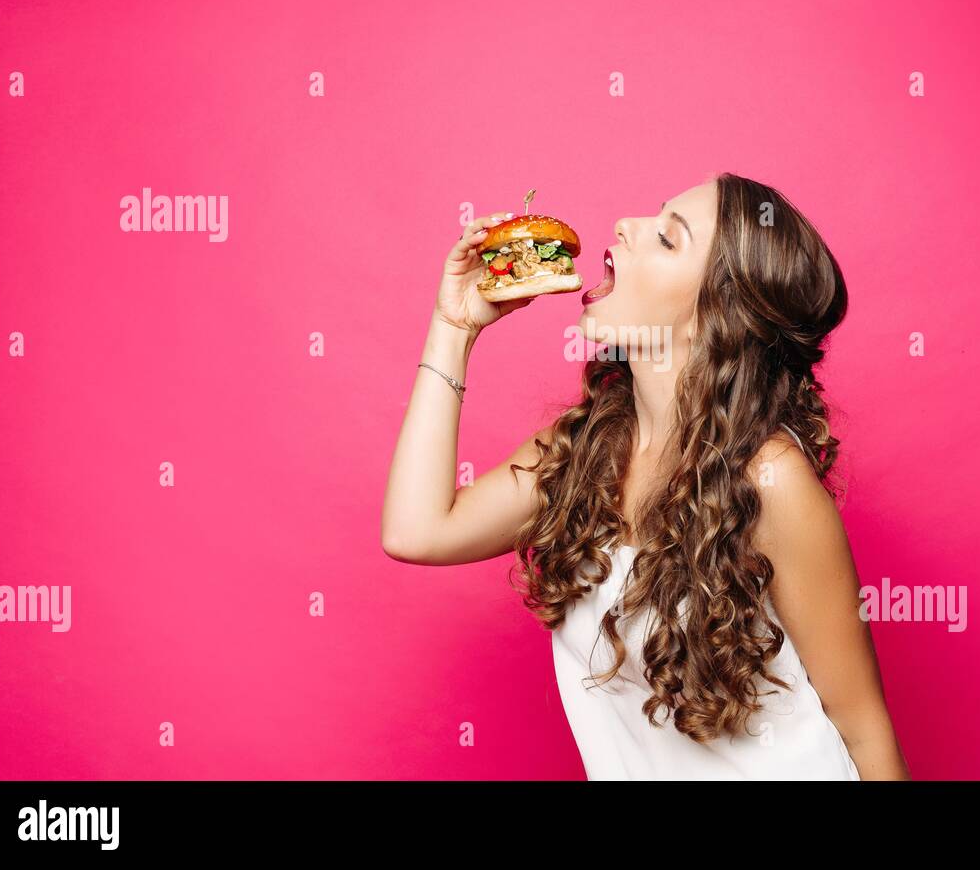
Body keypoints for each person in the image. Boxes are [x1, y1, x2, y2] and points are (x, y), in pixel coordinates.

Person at [381, 171, 910, 780]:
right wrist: (455, 328)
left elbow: (863, 727)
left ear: (715, 313)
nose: (625, 227)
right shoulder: (586, 448)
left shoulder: (770, 481)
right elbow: (415, 532)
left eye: (667, 238)